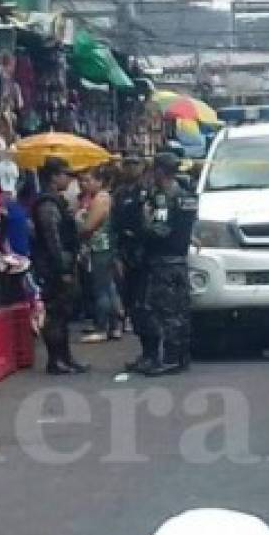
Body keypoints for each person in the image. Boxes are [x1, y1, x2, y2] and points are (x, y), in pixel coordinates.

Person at [139, 152, 197, 377]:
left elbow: (160, 231)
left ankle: (172, 359)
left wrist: (145, 219)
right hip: (179, 260)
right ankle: (181, 356)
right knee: (180, 311)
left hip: (165, 261)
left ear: (160, 171)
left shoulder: (167, 198)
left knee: (166, 311)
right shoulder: (186, 196)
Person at [32, 156, 88, 376]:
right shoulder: (48, 204)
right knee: (56, 313)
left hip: (61, 262)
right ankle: (56, 359)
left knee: (63, 313)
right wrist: (61, 268)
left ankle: (65, 357)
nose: (69, 179)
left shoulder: (56, 201)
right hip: (54, 266)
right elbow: (52, 238)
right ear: (54, 177)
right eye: (65, 175)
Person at [112, 155, 156, 371]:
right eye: (126, 163)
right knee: (132, 304)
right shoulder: (120, 193)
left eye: (134, 163)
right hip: (126, 252)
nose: (130, 168)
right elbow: (114, 227)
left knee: (146, 305)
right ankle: (145, 352)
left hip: (146, 253)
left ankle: (153, 353)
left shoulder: (150, 192)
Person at [76, 166, 123, 343]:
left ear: (99, 181)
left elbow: (89, 226)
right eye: (82, 180)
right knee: (108, 287)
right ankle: (114, 324)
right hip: (100, 247)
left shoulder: (101, 199)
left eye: (88, 180)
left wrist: (80, 223)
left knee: (101, 288)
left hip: (101, 247)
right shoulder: (94, 198)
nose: (84, 184)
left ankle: (102, 326)